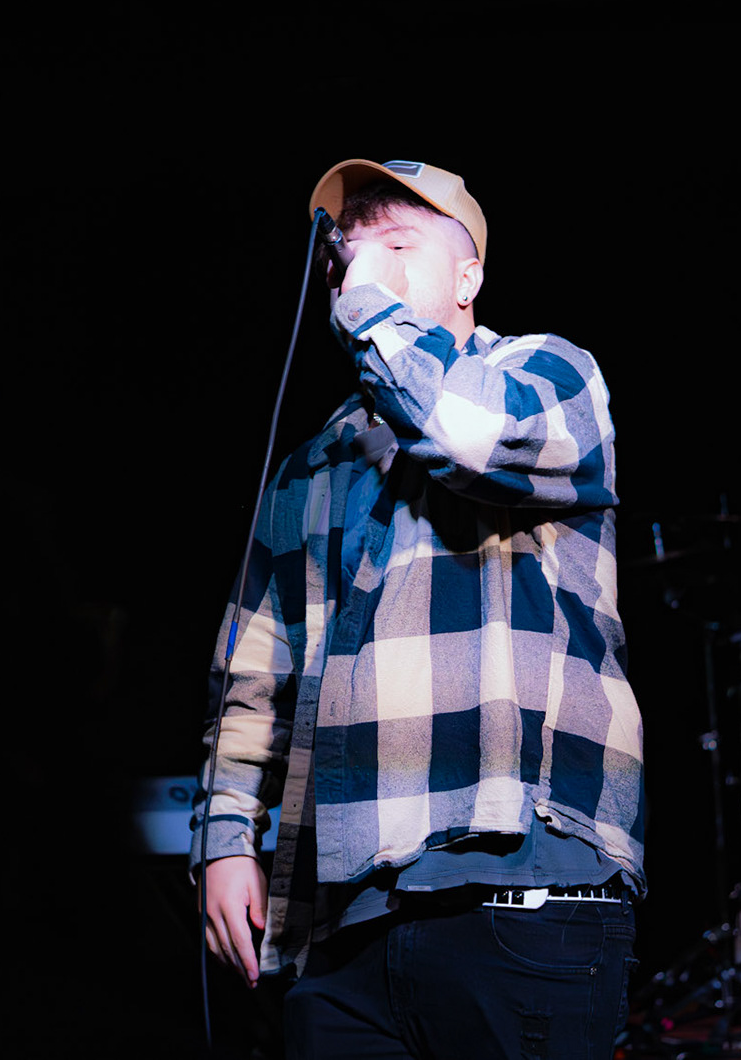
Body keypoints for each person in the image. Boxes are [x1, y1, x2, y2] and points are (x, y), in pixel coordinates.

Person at [193, 159, 646, 1060]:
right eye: (350, 254)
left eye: (398, 245)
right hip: (343, 920)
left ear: (468, 277)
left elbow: (464, 438)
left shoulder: (549, 374)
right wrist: (225, 837)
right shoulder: (313, 464)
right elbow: (253, 672)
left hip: (518, 891)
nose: (364, 267)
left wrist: (371, 307)